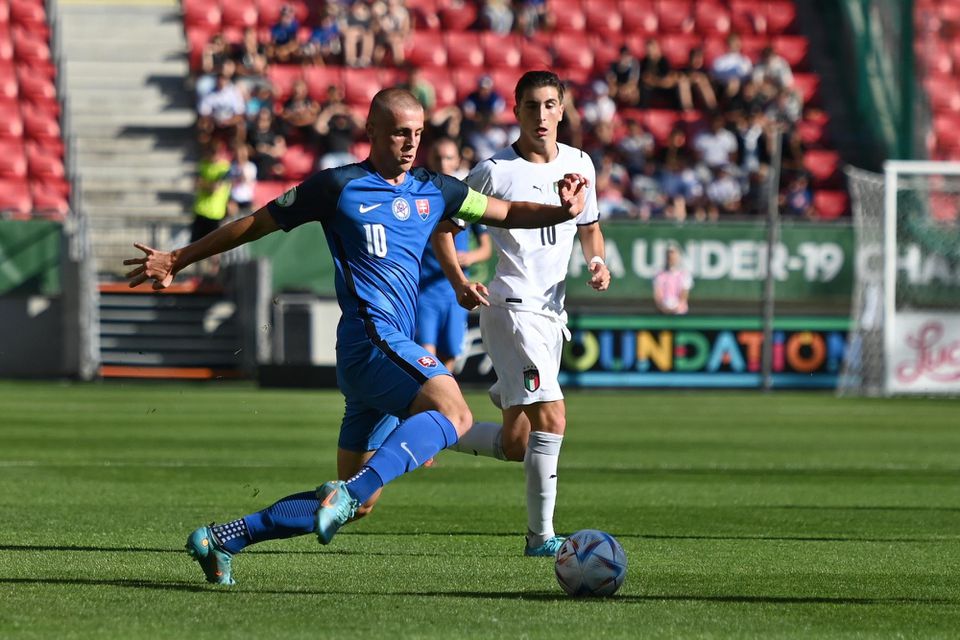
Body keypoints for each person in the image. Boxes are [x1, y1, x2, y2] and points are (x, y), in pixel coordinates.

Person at [122, 87, 590, 585]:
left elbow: (507, 212)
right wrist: (177, 259)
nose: (410, 144)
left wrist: (564, 212)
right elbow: (253, 225)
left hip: (378, 357)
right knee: (453, 412)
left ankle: (222, 539)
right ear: (371, 132)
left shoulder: (437, 189)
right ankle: (345, 493)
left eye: (417, 133)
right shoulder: (338, 187)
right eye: (399, 133)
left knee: (360, 502)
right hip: (371, 340)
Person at [430, 71, 611, 557]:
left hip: (552, 314)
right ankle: (541, 539)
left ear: (563, 108)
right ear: (516, 110)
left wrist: (596, 260)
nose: (540, 115)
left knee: (517, 443)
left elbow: (590, 227)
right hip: (511, 307)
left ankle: (424, 423)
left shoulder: (581, 164)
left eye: (550, 104)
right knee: (552, 416)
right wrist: (459, 281)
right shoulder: (494, 171)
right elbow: (442, 227)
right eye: (531, 106)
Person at [416, 138, 491, 371]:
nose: (443, 163)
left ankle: (438, 407)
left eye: (448, 158)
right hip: (424, 291)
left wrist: (471, 257)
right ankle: (429, 405)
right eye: (438, 157)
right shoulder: (418, 196)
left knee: (450, 356)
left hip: (456, 292)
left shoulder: (466, 199)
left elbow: (486, 248)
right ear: (429, 159)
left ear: (458, 160)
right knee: (425, 358)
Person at [653, 244, 693, 315]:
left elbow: (684, 296)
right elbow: (658, 296)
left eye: (673, 255)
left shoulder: (685, 275)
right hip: (663, 313)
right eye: (669, 256)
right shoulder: (659, 275)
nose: (671, 258)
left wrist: (676, 308)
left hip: (680, 314)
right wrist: (664, 308)